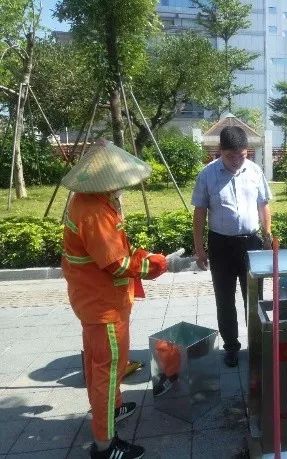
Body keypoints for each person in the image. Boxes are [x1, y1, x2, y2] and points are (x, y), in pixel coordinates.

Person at [61, 139, 190, 459]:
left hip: (94, 299)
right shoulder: (94, 211)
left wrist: (150, 257)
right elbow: (117, 263)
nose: (123, 188)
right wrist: (161, 264)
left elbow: (119, 250)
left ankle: (112, 410)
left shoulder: (92, 201)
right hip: (102, 304)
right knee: (106, 370)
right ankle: (105, 444)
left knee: (99, 364)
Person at [192, 125, 272, 367]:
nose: (237, 161)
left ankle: (257, 344)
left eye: (242, 155)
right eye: (230, 156)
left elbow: (263, 205)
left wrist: (267, 234)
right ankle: (231, 347)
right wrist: (199, 248)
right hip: (221, 245)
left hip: (251, 244)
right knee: (224, 299)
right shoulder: (207, 174)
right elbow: (199, 213)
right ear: (220, 151)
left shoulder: (255, 171)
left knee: (254, 298)